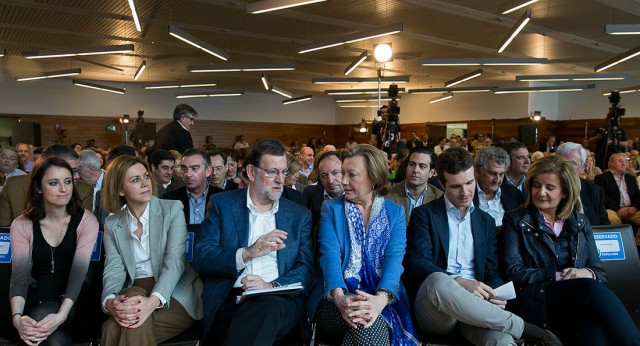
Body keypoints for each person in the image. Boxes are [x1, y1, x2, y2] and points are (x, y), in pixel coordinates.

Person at [404, 147, 560, 346]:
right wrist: (460, 282)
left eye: (470, 183)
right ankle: (527, 329)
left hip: (476, 308)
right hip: (436, 309)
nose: (465, 192)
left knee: (501, 341)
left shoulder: (485, 221)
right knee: (439, 281)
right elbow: (418, 263)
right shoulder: (424, 215)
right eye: (455, 186)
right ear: (442, 184)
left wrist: (494, 292)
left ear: (475, 177)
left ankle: (511, 328)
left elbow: (491, 270)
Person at [501, 155, 640, 345]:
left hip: (578, 302)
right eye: (536, 185)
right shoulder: (516, 219)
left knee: (595, 331)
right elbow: (514, 273)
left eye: (550, 188)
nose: (540, 193)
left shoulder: (580, 221)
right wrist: (560, 276)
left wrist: (586, 272)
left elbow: (599, 272)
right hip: (537, 298)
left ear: (565, 192)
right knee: (588, 287)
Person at [192, 139, 314, 345]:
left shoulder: (298, 215)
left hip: (280, 298)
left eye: (283, 172)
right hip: (231, 295)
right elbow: (202, 255)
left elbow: (306, 269)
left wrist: (270, 285)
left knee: (267, 307)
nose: (279, 179)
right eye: (272, 172)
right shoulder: (223, 204)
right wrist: (247, 253)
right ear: (251, 172)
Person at [308, 144, 419, 345]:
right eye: (343, 173)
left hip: (383, 295)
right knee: (366, 323)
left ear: (374, 178)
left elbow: (394, 260)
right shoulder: (331, 208)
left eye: (352, 175)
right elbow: (329, 255)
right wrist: (341, 299)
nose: (343, 181)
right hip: (334, 296)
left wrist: (379, 301)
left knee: (365, 326)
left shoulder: (395, 213)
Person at [100, 155, 203, 345]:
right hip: (133, 291)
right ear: (120, 189)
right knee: (131, 299)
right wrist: (110, 302)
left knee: (111, 329)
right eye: (135, 180)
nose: (145, 183)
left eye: (146, 176)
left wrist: (152, 302)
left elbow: (174, 262)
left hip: (174, 292)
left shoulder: (172, 209)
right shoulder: (112, 223)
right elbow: (113, 268)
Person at [10, 158, 99, 346]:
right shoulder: (21, 224)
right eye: (53, 183)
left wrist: (61, 315)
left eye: (67, 181)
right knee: (52, 339)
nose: (63, 189)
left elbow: (78, 274)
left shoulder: (86, 221)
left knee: (39, 330)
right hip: (36, 298)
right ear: (38, 188)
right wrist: (17, 318)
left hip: (73, 300)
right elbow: (19, 277)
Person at [0, 144, 94, 227]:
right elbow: (4, 231)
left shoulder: (85, 189)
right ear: (46, 165)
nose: (77, 176)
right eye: (71, 171)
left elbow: (81, 228)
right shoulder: (13, 185)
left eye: (78, 170)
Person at [162, 149, 223, 225]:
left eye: (194, 169)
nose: (188, 174)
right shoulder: (169, 199)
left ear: (208, 171)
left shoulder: (222, 198)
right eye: (184, 169)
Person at [555, 142, 610, 226]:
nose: (566, 167)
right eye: (562, 162)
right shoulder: (546, 190)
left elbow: (604, 225)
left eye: (572, 163)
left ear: (583, 167)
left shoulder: (595, 191)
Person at [387, 146, 443, 224]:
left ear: (431, 173)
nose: (415, 170)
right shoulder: (388, 196)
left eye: (422, 166)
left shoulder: (440, 198)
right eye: (412, 164)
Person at [473, 146, 524, 228]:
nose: (497, 180)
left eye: (501, 174)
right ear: (478, 171)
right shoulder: (467, 194)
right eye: (492, 173)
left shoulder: (514, 194)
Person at [594, 153, 640, 226]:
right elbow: (603, 197)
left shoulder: (631, 178)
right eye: (620, 161)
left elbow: (638, 195)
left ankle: (636, 238)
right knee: (612, 219)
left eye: (625, 162)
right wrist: (618, 209)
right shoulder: (601, 178)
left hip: (630, 208)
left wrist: (635, 207)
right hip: (612, 209)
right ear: (612, 163)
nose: (624, 164)